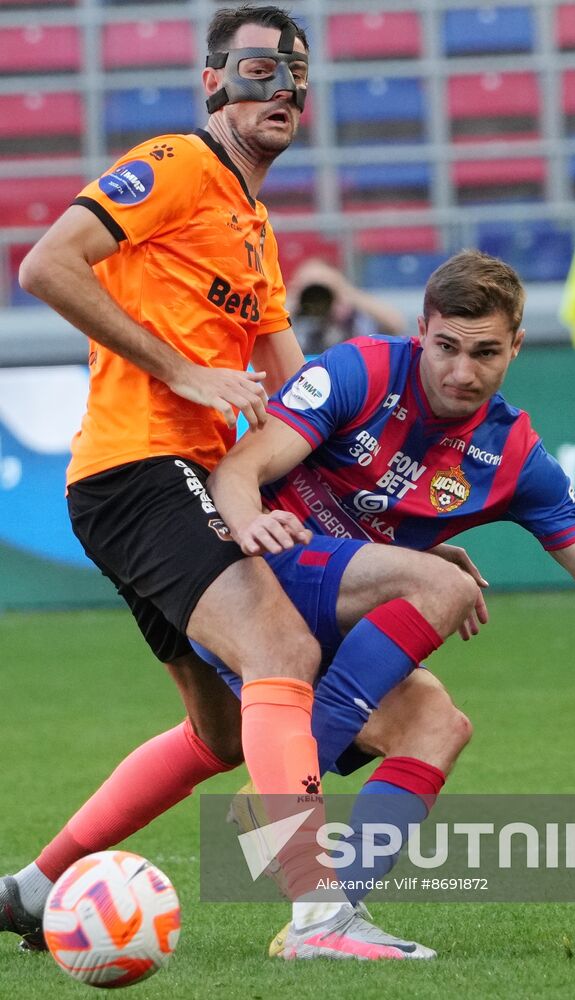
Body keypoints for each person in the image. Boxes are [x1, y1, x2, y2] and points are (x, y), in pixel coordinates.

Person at [4, 251, 575, 960]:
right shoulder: (359, 372)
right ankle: (301, 850)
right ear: (422, 334)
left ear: (516, 347)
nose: (461, 371)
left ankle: (46, 889)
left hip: (337, 601)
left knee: (428, 725)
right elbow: (236, 471)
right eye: (446, 347)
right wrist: (265, 524)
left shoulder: (515, 455)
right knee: (445, 584)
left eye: (484, 352)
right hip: (260, 570)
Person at [2, 3, 418, 959]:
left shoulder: (256, 227)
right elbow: (46, 264)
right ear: (215, 82)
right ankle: (319, 914)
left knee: (223, 731)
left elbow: (294, 390)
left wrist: (383, 489)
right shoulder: (180, 165)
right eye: (260, 69)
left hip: (164, 480)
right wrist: (182, 370)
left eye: (296, 75)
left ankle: (30, 890)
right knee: (278, 646)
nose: (282, 90)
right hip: (141, 464)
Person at [288, 256, 406, 354]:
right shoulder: (290, 317)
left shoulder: (351, 318)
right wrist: (295, 297)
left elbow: (396, 324)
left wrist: (344, 290)